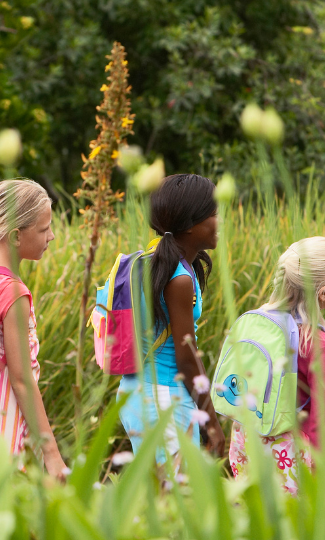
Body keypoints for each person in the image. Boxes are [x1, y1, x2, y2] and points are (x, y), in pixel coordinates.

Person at [118, 173, 228, 463]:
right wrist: (212, 424)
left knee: (160, 498)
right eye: (215, 213)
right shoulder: (178, 279)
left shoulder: (151, 261)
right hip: (162, 398)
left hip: (135, 393)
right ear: (191, 225)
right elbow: (187, 359)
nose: (221, 220)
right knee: (177, 500)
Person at [0, 179, 67, 480]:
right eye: (45, 229)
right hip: (10, 429)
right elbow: (22, 381)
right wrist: (52, 454)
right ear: (17, 235)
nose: (52, 236)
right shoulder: (13, 293)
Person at [226, 237, 325, 497]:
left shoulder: (260, 324)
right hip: (289, 453)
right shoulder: (318, 343)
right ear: (322, 292)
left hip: (247, 440)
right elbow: (323, 416)